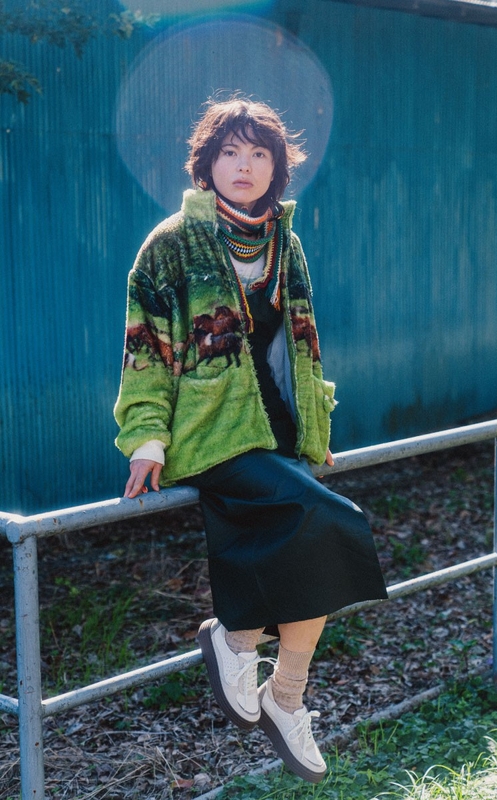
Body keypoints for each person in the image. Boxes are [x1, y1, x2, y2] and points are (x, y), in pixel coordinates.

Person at [114, 96, 387, 783]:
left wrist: (315, 427)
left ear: (276, 168)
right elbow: (145, 348)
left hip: (277, 429)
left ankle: (283, 695)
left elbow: (304, 343)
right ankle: (238, 643)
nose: (244, 165)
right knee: (333, 520)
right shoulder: (171, 243)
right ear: (206, 163)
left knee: (310, 549)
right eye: (230, 151)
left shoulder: (282, 241)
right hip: (210, 431)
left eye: (259, 153)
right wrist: (146, 438)